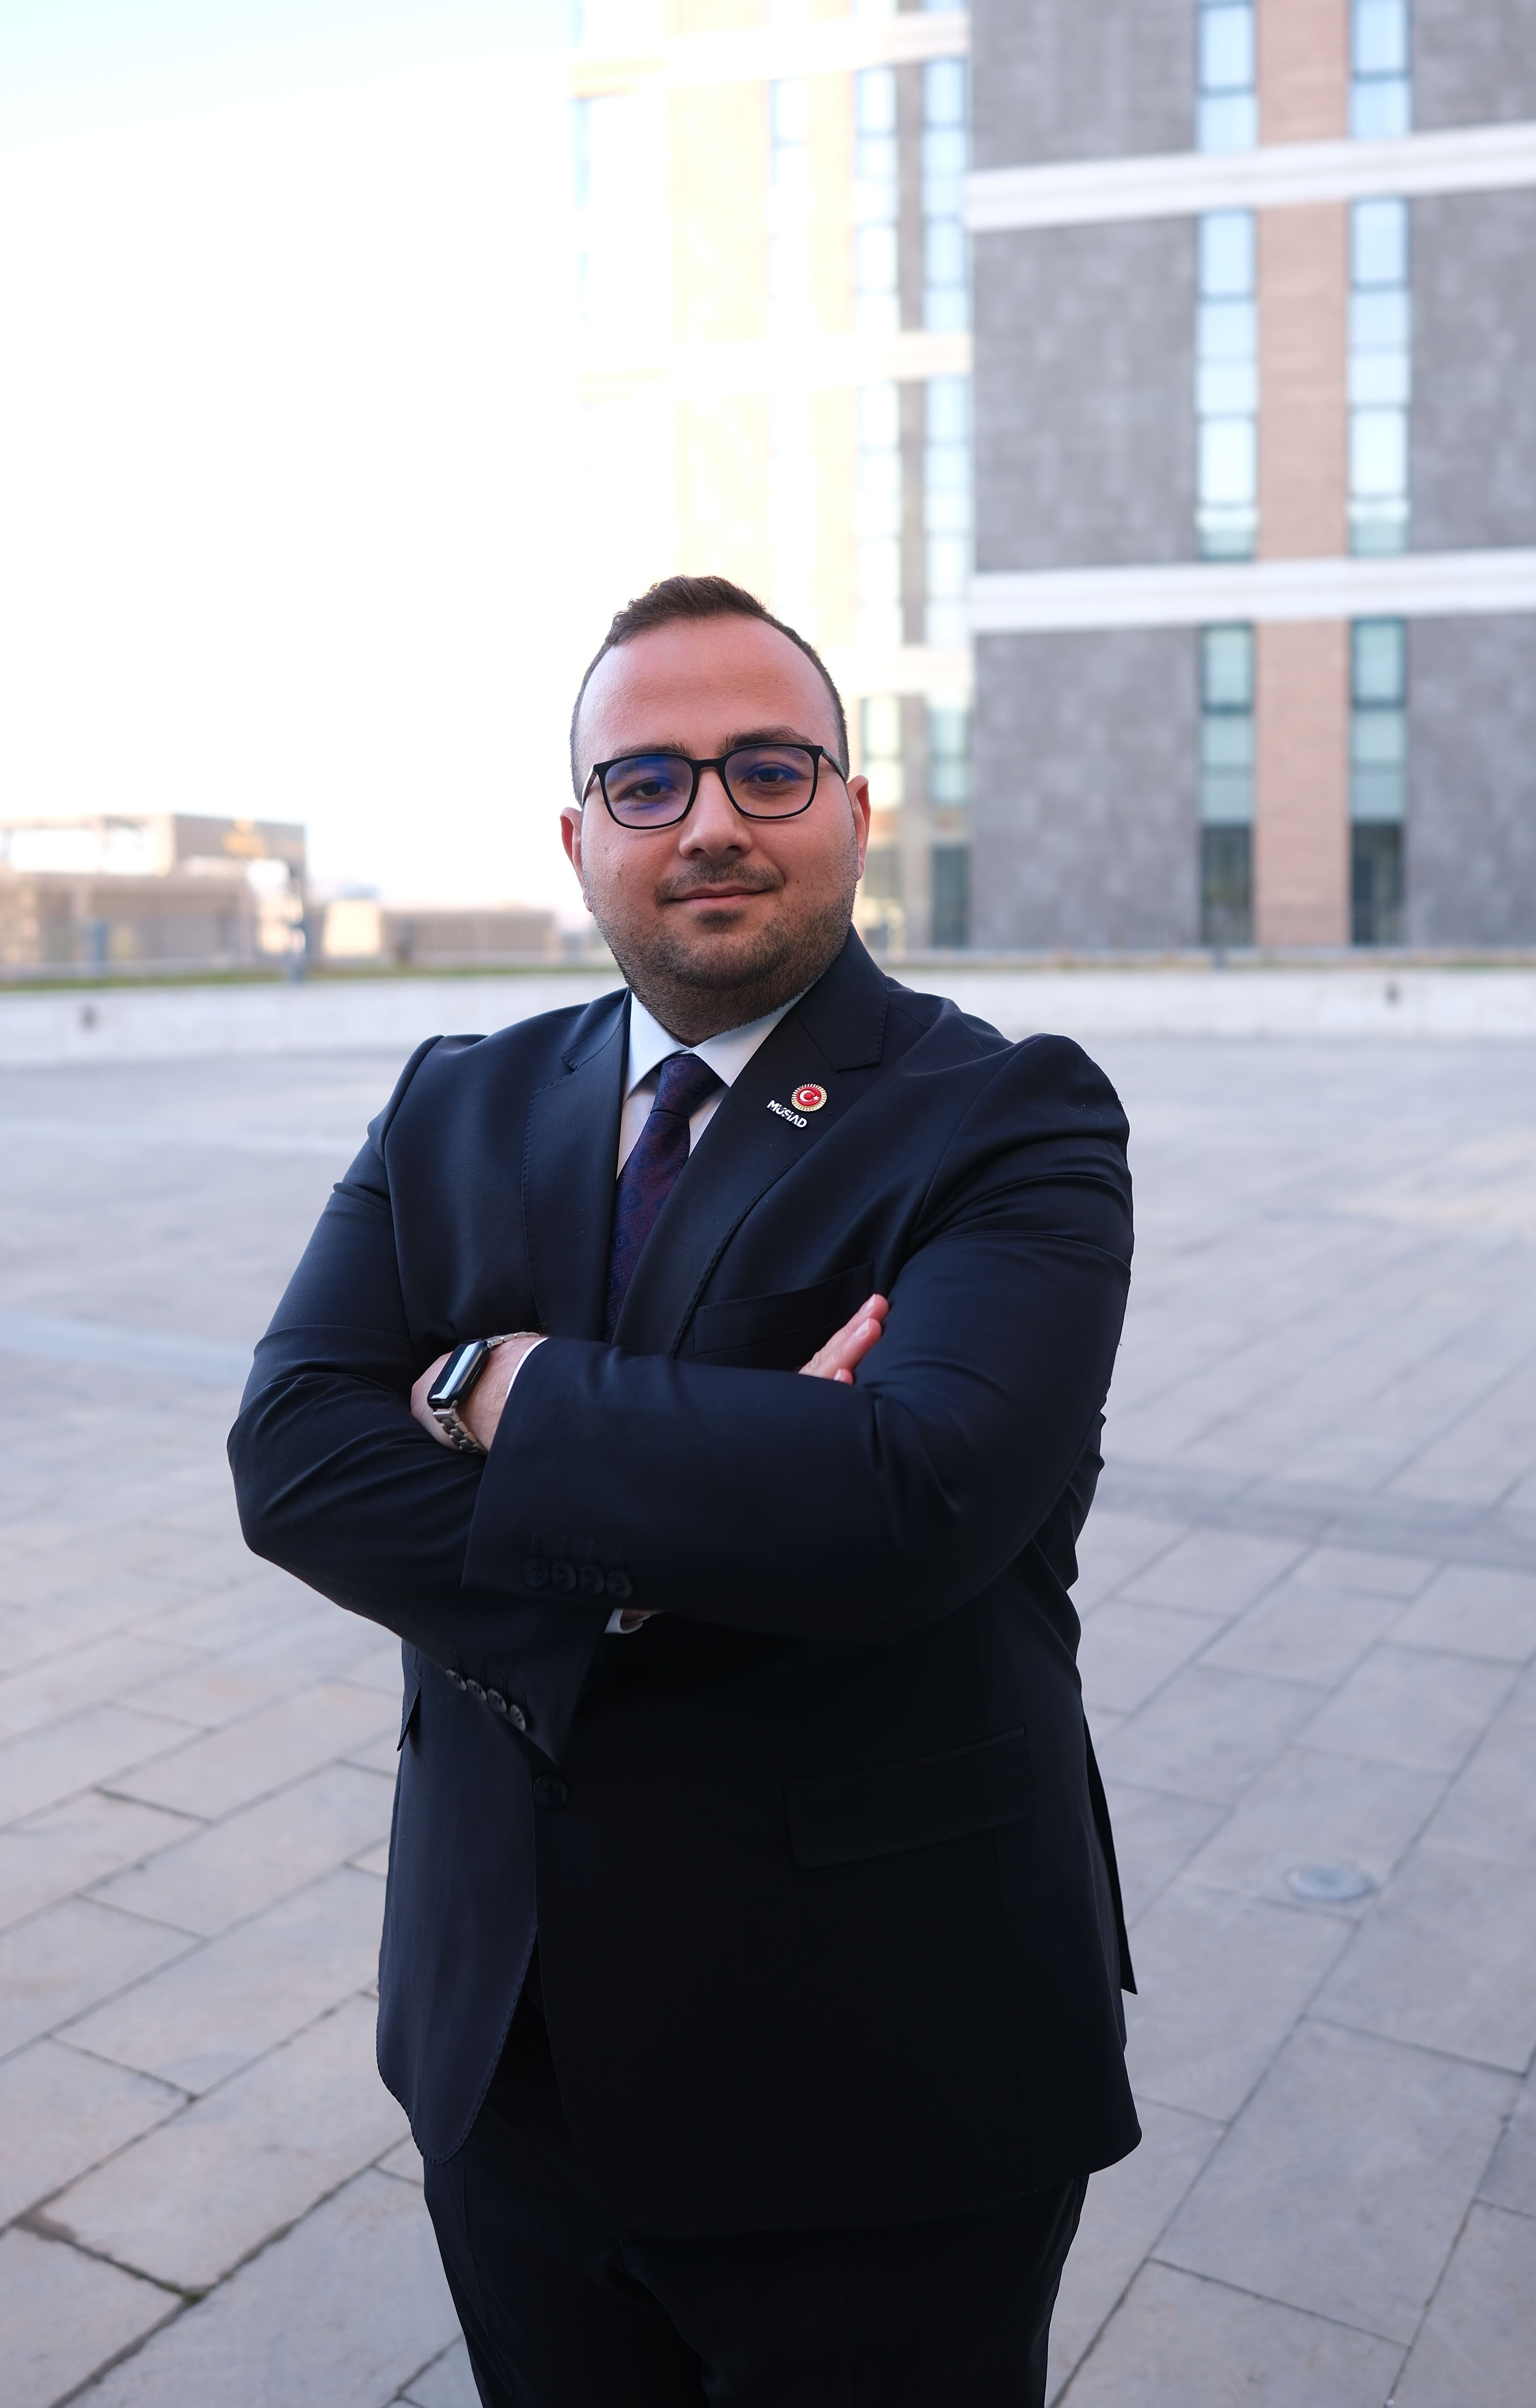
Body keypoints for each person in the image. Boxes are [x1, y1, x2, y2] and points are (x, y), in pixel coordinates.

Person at [231, 574, 1139, 2406]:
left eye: (767, 770)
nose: (708, 820)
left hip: (883, 2090)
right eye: (646, 782)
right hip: (508, 2061)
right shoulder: (452, 1102)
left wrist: (494, 1381)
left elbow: (912, 1497)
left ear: (855, 810)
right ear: (579, 837)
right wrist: (702, 1502)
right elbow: (296, 1461)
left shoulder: (1009, 1118)